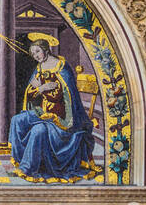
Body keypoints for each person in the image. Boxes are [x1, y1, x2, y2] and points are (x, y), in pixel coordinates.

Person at [9, 35, 97, 182]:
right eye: (33, 54)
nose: (36, 56)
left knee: (39, 131)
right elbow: (30, 92)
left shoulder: (61, 67)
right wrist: (43, 88)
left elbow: (60, 96)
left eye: (38, 52)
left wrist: (42, 89)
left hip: (62, 118)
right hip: (44, 111)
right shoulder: (40, 67)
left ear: (46, 49)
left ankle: (28, 168)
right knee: (17, 120)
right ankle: (20, 158)